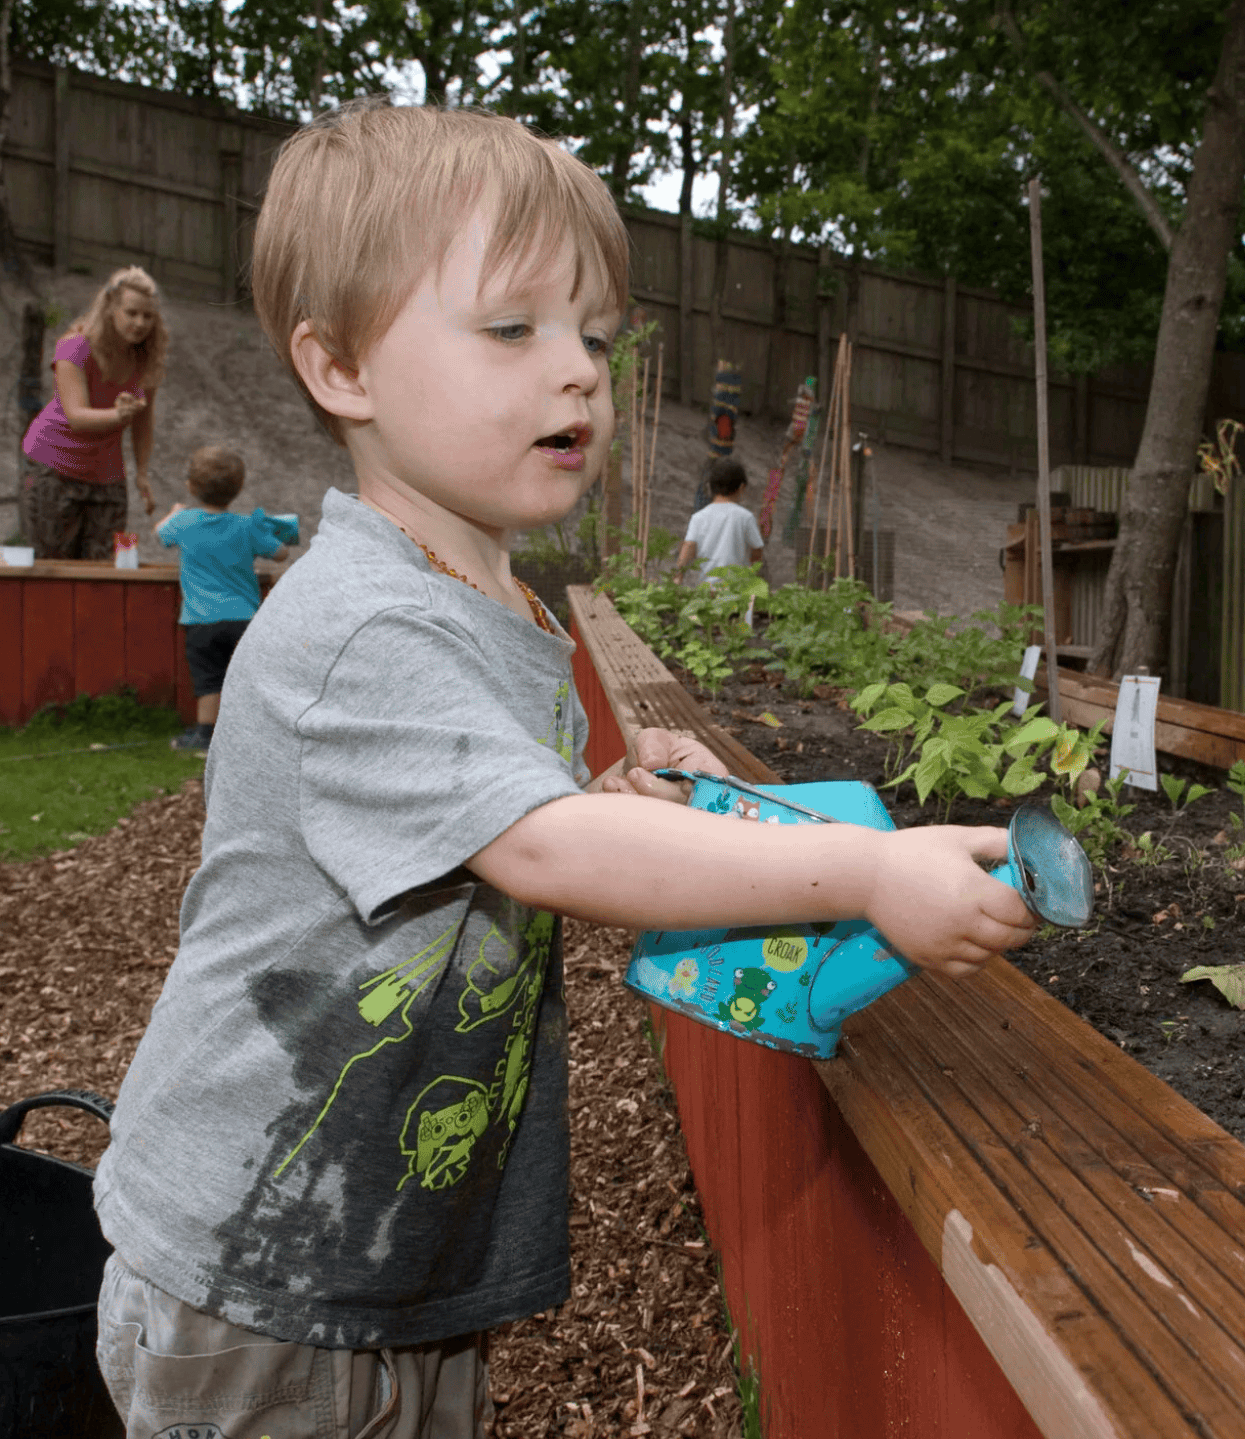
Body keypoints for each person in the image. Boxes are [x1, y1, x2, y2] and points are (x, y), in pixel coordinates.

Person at [88, 100, 1036, 1439]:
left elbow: (500, 820)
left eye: (591, 334)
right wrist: (869, 870)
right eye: (512, 328)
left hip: (375, 1240)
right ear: (343, 366)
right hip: (264, 1266)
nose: (580, 372)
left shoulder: (487, 595)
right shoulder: (361, 621)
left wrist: (602, 796)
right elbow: (534, 848)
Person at [153, 446, 297, 753]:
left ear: (191, 486)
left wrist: (174, 512)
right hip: (244, 619)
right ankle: (254, 733)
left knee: (209, 678)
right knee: (246, 677)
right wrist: (267, 530)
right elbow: (282, 553)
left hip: (201, 620)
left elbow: (160, 533)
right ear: (238, 488)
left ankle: (206, 734)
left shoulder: (184, 522)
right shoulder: (246, 527)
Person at [20, 266, 168, 560]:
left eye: (148, 316)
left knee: (103, 569)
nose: (140, 323)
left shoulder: (146, 358)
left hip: (107, 475)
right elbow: (76, 416)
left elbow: (143, 420)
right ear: (111, 308)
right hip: (53, 467)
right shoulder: (75, 346)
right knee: (53, 567)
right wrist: (117, 415)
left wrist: (142, 473)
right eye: (131, 313)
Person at [674, 455, 763, 582]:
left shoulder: (698, 517)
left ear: (710, 487)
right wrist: (751, 574)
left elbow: (689, 546)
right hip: (735, 588)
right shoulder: (746, 517)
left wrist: (678, 576)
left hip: (706, 587)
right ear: (741, 488)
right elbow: (757, 549)